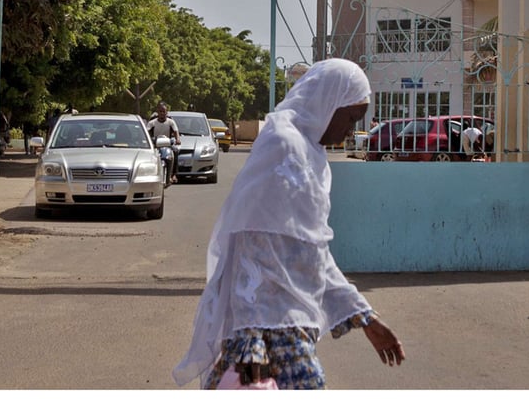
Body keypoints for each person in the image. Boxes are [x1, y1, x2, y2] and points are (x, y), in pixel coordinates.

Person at [173, 58, 405, 389]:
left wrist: (367, 319)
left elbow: (312, 253)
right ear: (329, 101)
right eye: (351, 117)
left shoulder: (313, 156)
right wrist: (250, 338)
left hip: (293, 322)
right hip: (266, 330)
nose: (351, 130)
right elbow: (249, 244)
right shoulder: (283, 143)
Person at [147, 102, 181, 183]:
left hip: (167, 144)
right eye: (160, 111)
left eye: (164, 111)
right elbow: (146, 132)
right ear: (157, 112)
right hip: (155, 145)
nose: (162, 113)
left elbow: (176, 131)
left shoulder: (171, 122)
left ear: (167, 112)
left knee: (175, 151)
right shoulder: (152, 123)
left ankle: (173, 174)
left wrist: (178, 139)